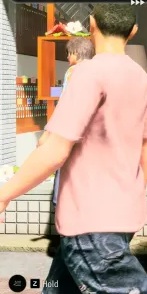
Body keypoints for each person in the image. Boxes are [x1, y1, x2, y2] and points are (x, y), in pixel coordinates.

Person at [0, 3, 147, 294]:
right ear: (133, 31)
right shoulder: (139, 76)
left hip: (89, 219)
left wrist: (1, 197)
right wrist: (134, 194)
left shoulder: (87, 73)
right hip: (119, 215)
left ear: (92, 24)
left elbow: (55, 149)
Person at [37, 36, 95, 207]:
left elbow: (64, 102)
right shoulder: (96, 70)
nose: (68, 57)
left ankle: (61, 203)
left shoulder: (73, 71)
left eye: (69, 53)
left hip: (71, 130)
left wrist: (48, 133)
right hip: (90, 133)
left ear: (76, 53)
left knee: (64, 168)